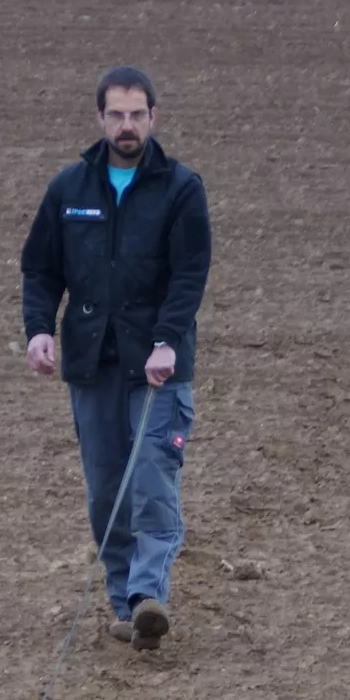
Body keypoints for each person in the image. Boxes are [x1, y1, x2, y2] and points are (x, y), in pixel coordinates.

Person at [22, 66, 212, 651]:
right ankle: (124, 604)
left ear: (153, 117)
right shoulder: (69, 189)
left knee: (152, 478)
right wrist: (38, 330)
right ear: (100, 118)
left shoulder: (181, 189)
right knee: (107, 490)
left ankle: (147, 595)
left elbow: (189, 274)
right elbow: (41, 269)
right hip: (92, 362)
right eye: (116, 115)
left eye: (136, 115)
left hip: (158, 367)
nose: (126, 125)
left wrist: (167, 340)